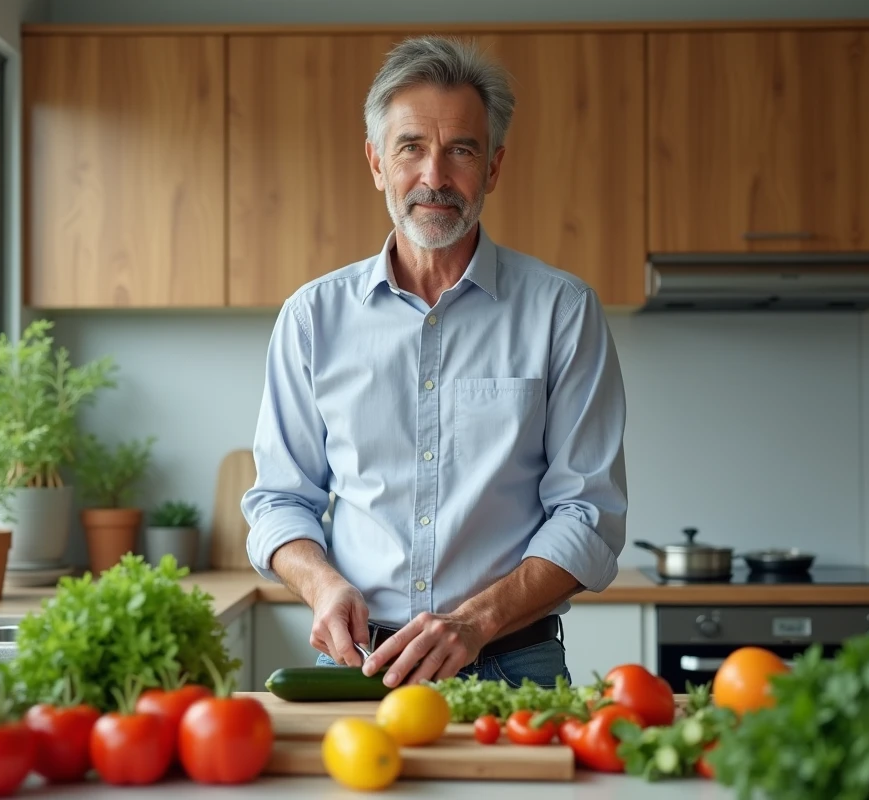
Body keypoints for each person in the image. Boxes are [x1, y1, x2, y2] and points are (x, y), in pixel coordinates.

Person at [242, 34, 628, 690]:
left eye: (462, 151)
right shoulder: (313, 318)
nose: (434, 178)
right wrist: (323, 583)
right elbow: (281, 498)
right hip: (358, 663)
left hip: (513, 664)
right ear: (375, 162)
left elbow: (587, 514)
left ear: (494, 167)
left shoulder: (563, 312)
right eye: (411, 148)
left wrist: (476, 621)